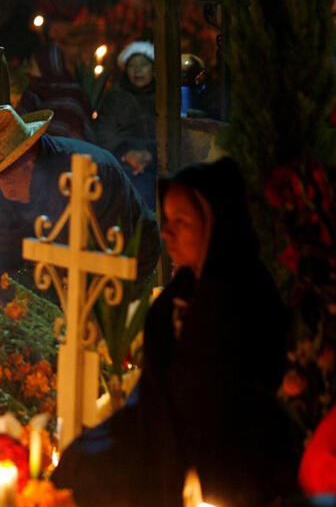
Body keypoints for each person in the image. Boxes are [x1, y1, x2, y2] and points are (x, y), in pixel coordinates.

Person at [52, 158, 298, 506]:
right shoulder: (179, 293)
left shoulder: (247, 293)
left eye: (181, 222)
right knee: (81, 460)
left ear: (216, 225)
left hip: (226, 442)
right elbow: (156, 383)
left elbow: (238, 388)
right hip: (162, 424)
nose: (167, 232)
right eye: (167, 221)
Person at [0, 105, 159, 311]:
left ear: (30, 159)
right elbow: (4, 246)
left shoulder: (94, 174)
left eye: (8, 180)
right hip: (59, 272)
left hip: (129, 262)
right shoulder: (4, 182)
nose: (5, 191)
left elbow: (110, 257)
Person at [93, 40, 158, 210]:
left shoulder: (164, 97)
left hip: (156, 158)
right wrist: (126, 153)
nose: (137, 70)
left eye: (143, 65)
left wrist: (151, 154)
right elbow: (103, 131)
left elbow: (171, 133)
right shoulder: (114, 97)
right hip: (121, 158)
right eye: (132, 66)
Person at [17, 44, 95, 142]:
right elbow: (16, 130)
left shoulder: (69, 97)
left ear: (46, 67)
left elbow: (58, 138)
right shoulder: (32, 95)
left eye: (32, 66)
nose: (29, 71)